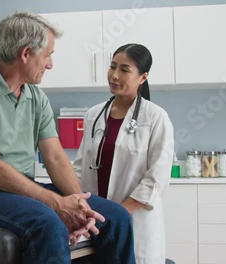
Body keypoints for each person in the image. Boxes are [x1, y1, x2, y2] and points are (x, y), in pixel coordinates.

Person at [0, 11, 135, 264]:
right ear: (25, 54)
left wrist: (79, 205)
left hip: (18, 188)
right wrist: (56, 204)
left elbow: (54, 157)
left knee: (117, 217)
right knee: (47, 223)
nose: (50, 64)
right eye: (48, 55)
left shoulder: (36, 97)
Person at [72, 43, 175, 264]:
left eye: (124, 69)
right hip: (94, 221)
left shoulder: (156, 117)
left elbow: (156, 178)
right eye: (112, 66)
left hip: (133, 221)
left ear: (143, 77)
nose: (114, 75)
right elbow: (80, 167)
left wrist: (116, 214)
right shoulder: (94, 114)